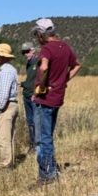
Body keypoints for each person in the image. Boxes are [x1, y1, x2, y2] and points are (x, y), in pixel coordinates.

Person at [31, 18, 80, 184]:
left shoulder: (47, 49)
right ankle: (51, 169)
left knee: (43, 138)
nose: (37, 37)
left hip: (45, 99)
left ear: (42, 33)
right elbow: (77, 65)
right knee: (48, 136)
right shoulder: (65, 47)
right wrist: (63, 80)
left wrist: (42, 86)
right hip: (57, 98)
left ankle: (46, 175)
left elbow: (44, 67)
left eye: (37, 33)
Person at [0, 42, 18, 169]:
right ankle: (9, 163)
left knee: (4, 138)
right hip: (12, 105)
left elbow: (4, 93)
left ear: (4, 56)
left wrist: (0, 108)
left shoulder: (5, 71)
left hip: (6, 107)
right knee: (9, 137)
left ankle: (5, 166)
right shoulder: (10, 69)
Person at [19, 42, 40, 149]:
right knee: (29, 121)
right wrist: (22, 84)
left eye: (27, 51)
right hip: (26, 95)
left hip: (34, 96)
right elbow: (29, 80)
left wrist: (36, 93)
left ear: (33, 50)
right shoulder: (28, 64)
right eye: (23, 52)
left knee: (36, 121)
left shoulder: (39, 62)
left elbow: (40, 80)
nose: (25, 54)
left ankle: (37, 145)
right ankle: (32, 144)